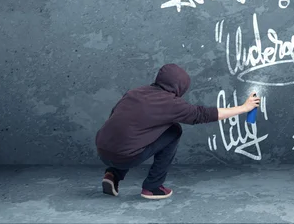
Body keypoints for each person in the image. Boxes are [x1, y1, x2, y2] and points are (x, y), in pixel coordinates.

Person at [95, 63, 260, 200]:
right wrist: (245, 108)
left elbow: (116, 119)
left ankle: (112, 174)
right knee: (173, 130)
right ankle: (152, 187)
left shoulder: (134, 92)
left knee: (133, 133)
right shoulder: (171, 103)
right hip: (125, 157)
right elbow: (204, 115)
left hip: (102, 150)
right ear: (180, 87)